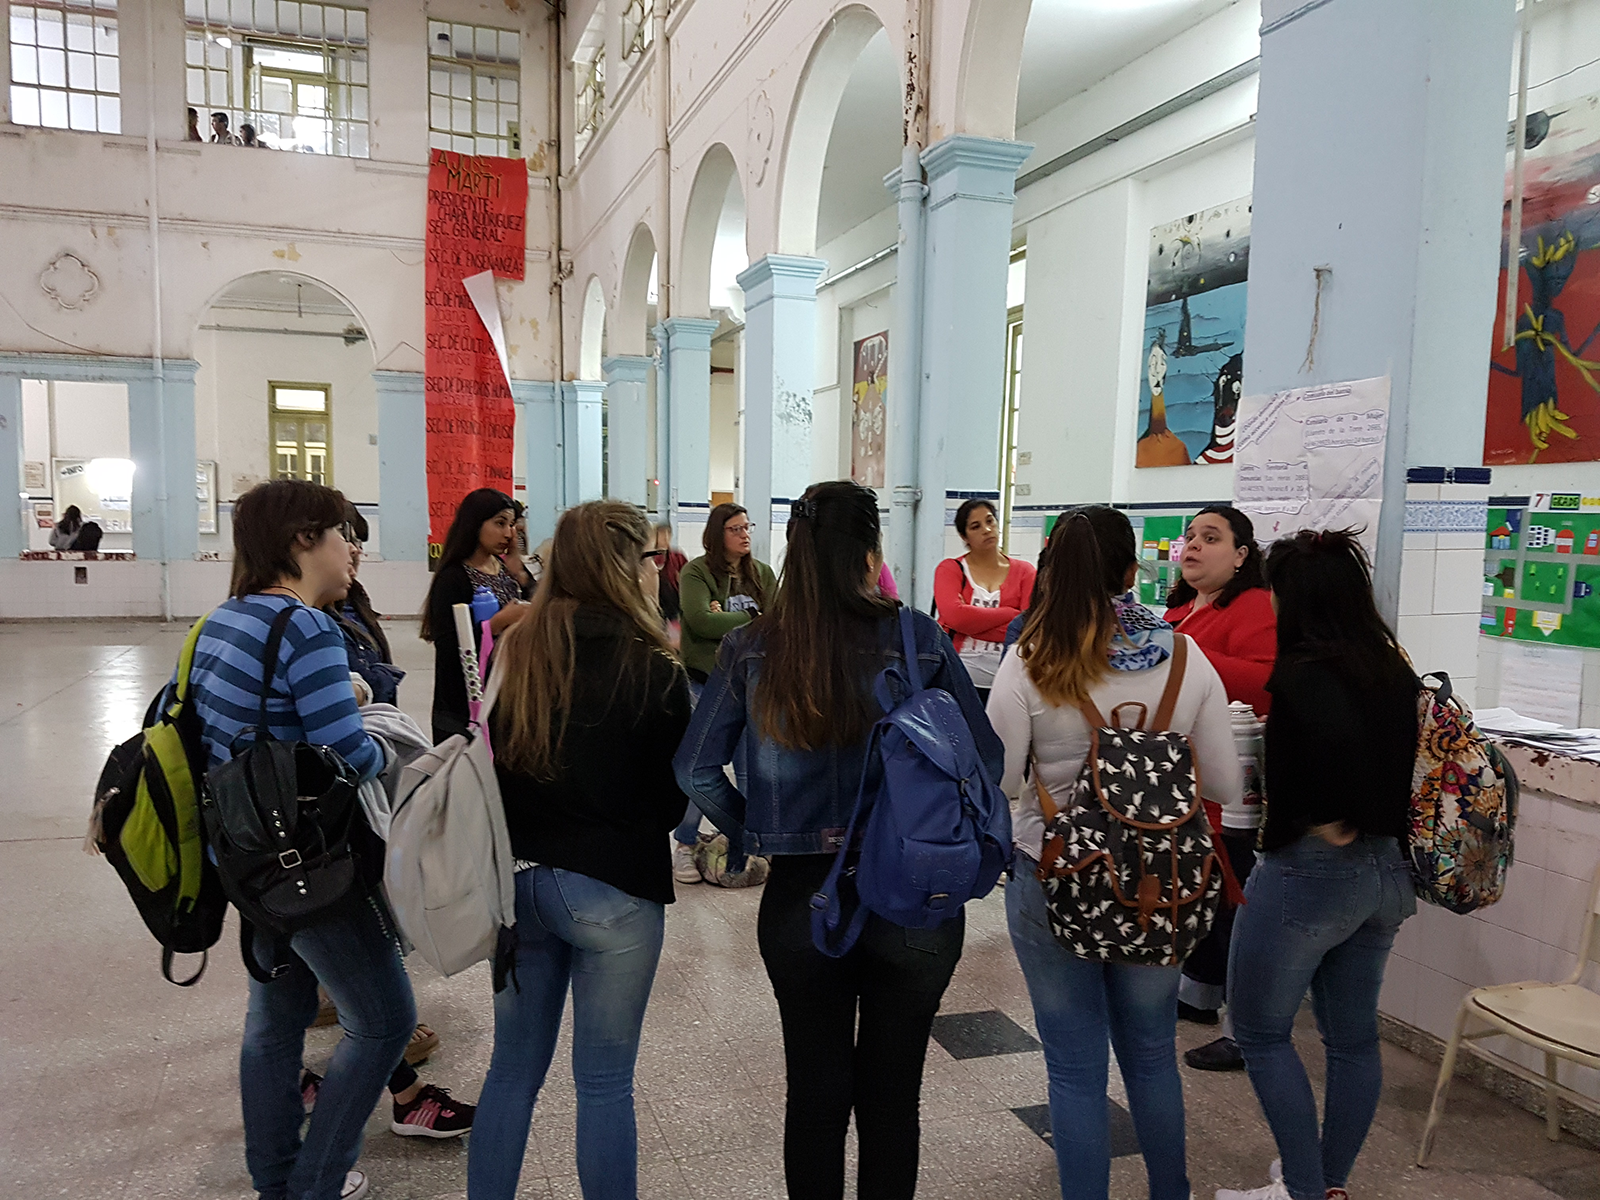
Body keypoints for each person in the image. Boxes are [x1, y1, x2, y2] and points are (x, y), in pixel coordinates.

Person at [675, 480, 1002, 1200]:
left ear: (794, 548)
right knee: (894, 1098)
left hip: (802, 894)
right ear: (870, 550)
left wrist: (757, 830)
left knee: (815, 1096)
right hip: (915, 893)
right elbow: (985, 759)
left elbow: (693, 769)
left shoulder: (751, 645)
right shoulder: (917, 637)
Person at [987, 505, 1241, 1200]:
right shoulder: (1185, 658)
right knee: (1153, 1054)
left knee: (1074, 1068)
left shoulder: (1030, 660)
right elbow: (1223, 783)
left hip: (1053, 873)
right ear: (1132, 571)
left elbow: (999, 779)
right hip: (1161, 879)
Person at [185, 480, 417, 1200]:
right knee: (385, 1022)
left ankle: (277, 1178)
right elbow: (349, 755)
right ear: (301, 541)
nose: (352, 549)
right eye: (343, 533)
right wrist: (389, 738)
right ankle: (315, 1183)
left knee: (276, 1019)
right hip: (310, 865)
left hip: (246, 858)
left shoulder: (223, 619)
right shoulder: (308, 629)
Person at [468, 500, 692, 1200]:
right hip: (611, 890)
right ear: (626, 565)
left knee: (511, 1071)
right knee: (603, 1083)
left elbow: (492, 759)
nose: (656, 572)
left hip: (519, 883)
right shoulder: (653, 665)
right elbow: (672, 802)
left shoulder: (518, 649)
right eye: (651, 559)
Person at [1216, 530, 1421, 1200]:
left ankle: (1303, 1189)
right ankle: (1327, 1184)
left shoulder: (1302, 675)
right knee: (1353, 1041)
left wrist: (1332, 820)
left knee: (1259, 1033)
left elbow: (1325, 772)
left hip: (1311, 874)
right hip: (1387, 874)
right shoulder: (1392, 668)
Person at [1164, 505, 1277, 1069]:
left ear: (1240, 556)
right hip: (1184, 780)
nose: (1193, 546)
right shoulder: (1179, 611)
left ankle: (1243, 1026)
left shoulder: (1252, 605)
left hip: (1232, 785)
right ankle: (1198, 997)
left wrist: (1184, 655)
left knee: (1232, 903)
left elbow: (1265, 681)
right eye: (1190, 536)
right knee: (1204, 897)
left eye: (1211, 538)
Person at [672, 502, 776, 885]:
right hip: (706, 681)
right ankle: (685, 843)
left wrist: (726, 619)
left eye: (747, 527)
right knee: (701, 766)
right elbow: (700, 620)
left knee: (752, 771)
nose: (745, 534)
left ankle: (749, 843)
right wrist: (751, 618)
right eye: (736, 529)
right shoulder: (696, 572)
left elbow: (778, 622)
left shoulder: (762, 573)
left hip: (753, 684)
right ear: (718, 534)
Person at [420, 488, 529, 744]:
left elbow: (537, 605)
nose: (508, 533)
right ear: (474, 524)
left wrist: (520, 572)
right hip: (466, 704)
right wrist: (496, 624)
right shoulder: (453, 578)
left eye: (511, 525)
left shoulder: (506, 569)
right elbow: (449, 648)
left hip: (507, 693)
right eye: (500, 523)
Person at [934, 497, 1036, 701]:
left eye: (990, 521)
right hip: (958, 678)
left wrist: (970, 623)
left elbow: (1027, 628)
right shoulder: (950, 569)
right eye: (976, 526)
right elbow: (955, 617)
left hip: (1009, 681)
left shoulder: (1025, 572)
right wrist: (1010, 614)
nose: (987, 530)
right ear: (964, 536)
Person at [653, 522, 688, 621]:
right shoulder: (650, 557)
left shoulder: (678, 557)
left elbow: (687, 577)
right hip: (656, 599)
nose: (666, 538)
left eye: (668, 534)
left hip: (674, 600)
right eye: (662, 534)